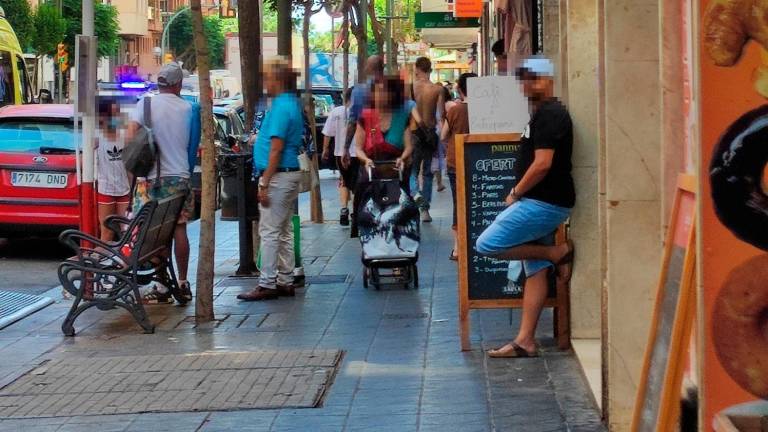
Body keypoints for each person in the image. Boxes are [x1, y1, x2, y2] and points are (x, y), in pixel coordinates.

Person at [475, 57, 576, 358]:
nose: (527, 85)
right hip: (545, 202)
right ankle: (525, 341)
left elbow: (543, 164)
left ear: (548, 79)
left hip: (542, 202)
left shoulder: (550, 114)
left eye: (534, 78)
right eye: (524, 80)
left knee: (486, 244)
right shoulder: (543, 113)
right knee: (535, 271)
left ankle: (556, 253)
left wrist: (515, 192)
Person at [127, 62, 199, 305]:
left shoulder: (145, 104)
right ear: (178, 84)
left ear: (159, 83)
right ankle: (182, 281)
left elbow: (131, 138)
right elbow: (193, 145)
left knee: (154, 232)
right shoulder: (189, 108)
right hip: (180, 178)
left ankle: (160, 283)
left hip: (150, 181)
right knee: (179, 229)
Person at [237, 58, 304, 302]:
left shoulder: (281, 106)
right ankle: (285, 279)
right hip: (287, 173)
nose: (266, 82)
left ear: (278, 79)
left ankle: (267, 282)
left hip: (279, 175)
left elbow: (276, 148)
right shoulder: (289, 103)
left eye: (268, 78)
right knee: (283, 229)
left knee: (270, 230)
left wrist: (264, 182)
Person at [441, 72, 476, 261]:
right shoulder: (487, 109)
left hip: (456, 162)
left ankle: (458, 247)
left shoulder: (455, 110)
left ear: (460, 90)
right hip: (481, 162)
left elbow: (443, 135)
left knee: (458, 202)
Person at [410, 57, 444, 223]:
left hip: (414, 133)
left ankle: (416, 196)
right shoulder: (437, 89)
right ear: (430, 69)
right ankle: (425, 211)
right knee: (428, 172)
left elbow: (407, 110)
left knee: (412, 171)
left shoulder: (411, 87)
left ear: (417, 68)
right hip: (430, 133)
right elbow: (442, 116)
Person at [96, 99, 130, 242]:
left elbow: (132, 165)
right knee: (107, 232)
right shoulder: (97, 137)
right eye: (112, 114)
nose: (115, 118)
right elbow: (84, 159)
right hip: (105, 189)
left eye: (117, 113)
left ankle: (125, 262)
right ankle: (103, 261)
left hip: (125, 190)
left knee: (127, 232)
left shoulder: (127, 135)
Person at [322, 88, 357, 226]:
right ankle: (355, 212)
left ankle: (344, 209)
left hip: (339, 154)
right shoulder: (361, 112)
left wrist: (325, 149)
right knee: (356, 184)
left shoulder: (336, 112)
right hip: (357, 153)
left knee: (344, 181)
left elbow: (328, 133)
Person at [432, 85, 455, 193]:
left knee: (437, 157)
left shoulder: (434, 106)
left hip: (437, 133)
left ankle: (439, 182)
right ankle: (445, 174)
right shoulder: (451, 105)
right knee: (444, 155)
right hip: (446, 134)